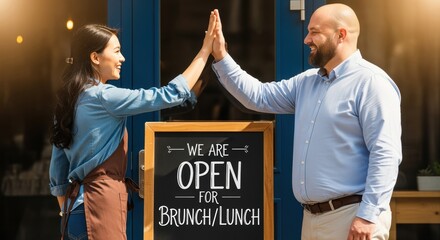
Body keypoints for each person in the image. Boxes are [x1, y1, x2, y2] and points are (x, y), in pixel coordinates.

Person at [211, 4, 401, 240]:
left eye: (314, 32)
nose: (306, 39)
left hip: (354, 219)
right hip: (311, 220)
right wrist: (221, 55)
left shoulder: (372, 83)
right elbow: (258, 96)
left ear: (340, 35)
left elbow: (386, 154)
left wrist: (368, 215)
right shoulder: (306, 83)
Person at [49, 11, 217, 239]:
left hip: (75, 212)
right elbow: (170, 94)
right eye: (116, 51)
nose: (122, 58)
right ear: (95, 58)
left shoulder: (69, 99)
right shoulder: (104, 97)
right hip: (100, 205)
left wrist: (71, 210)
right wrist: (205, 51)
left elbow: (58, 174)